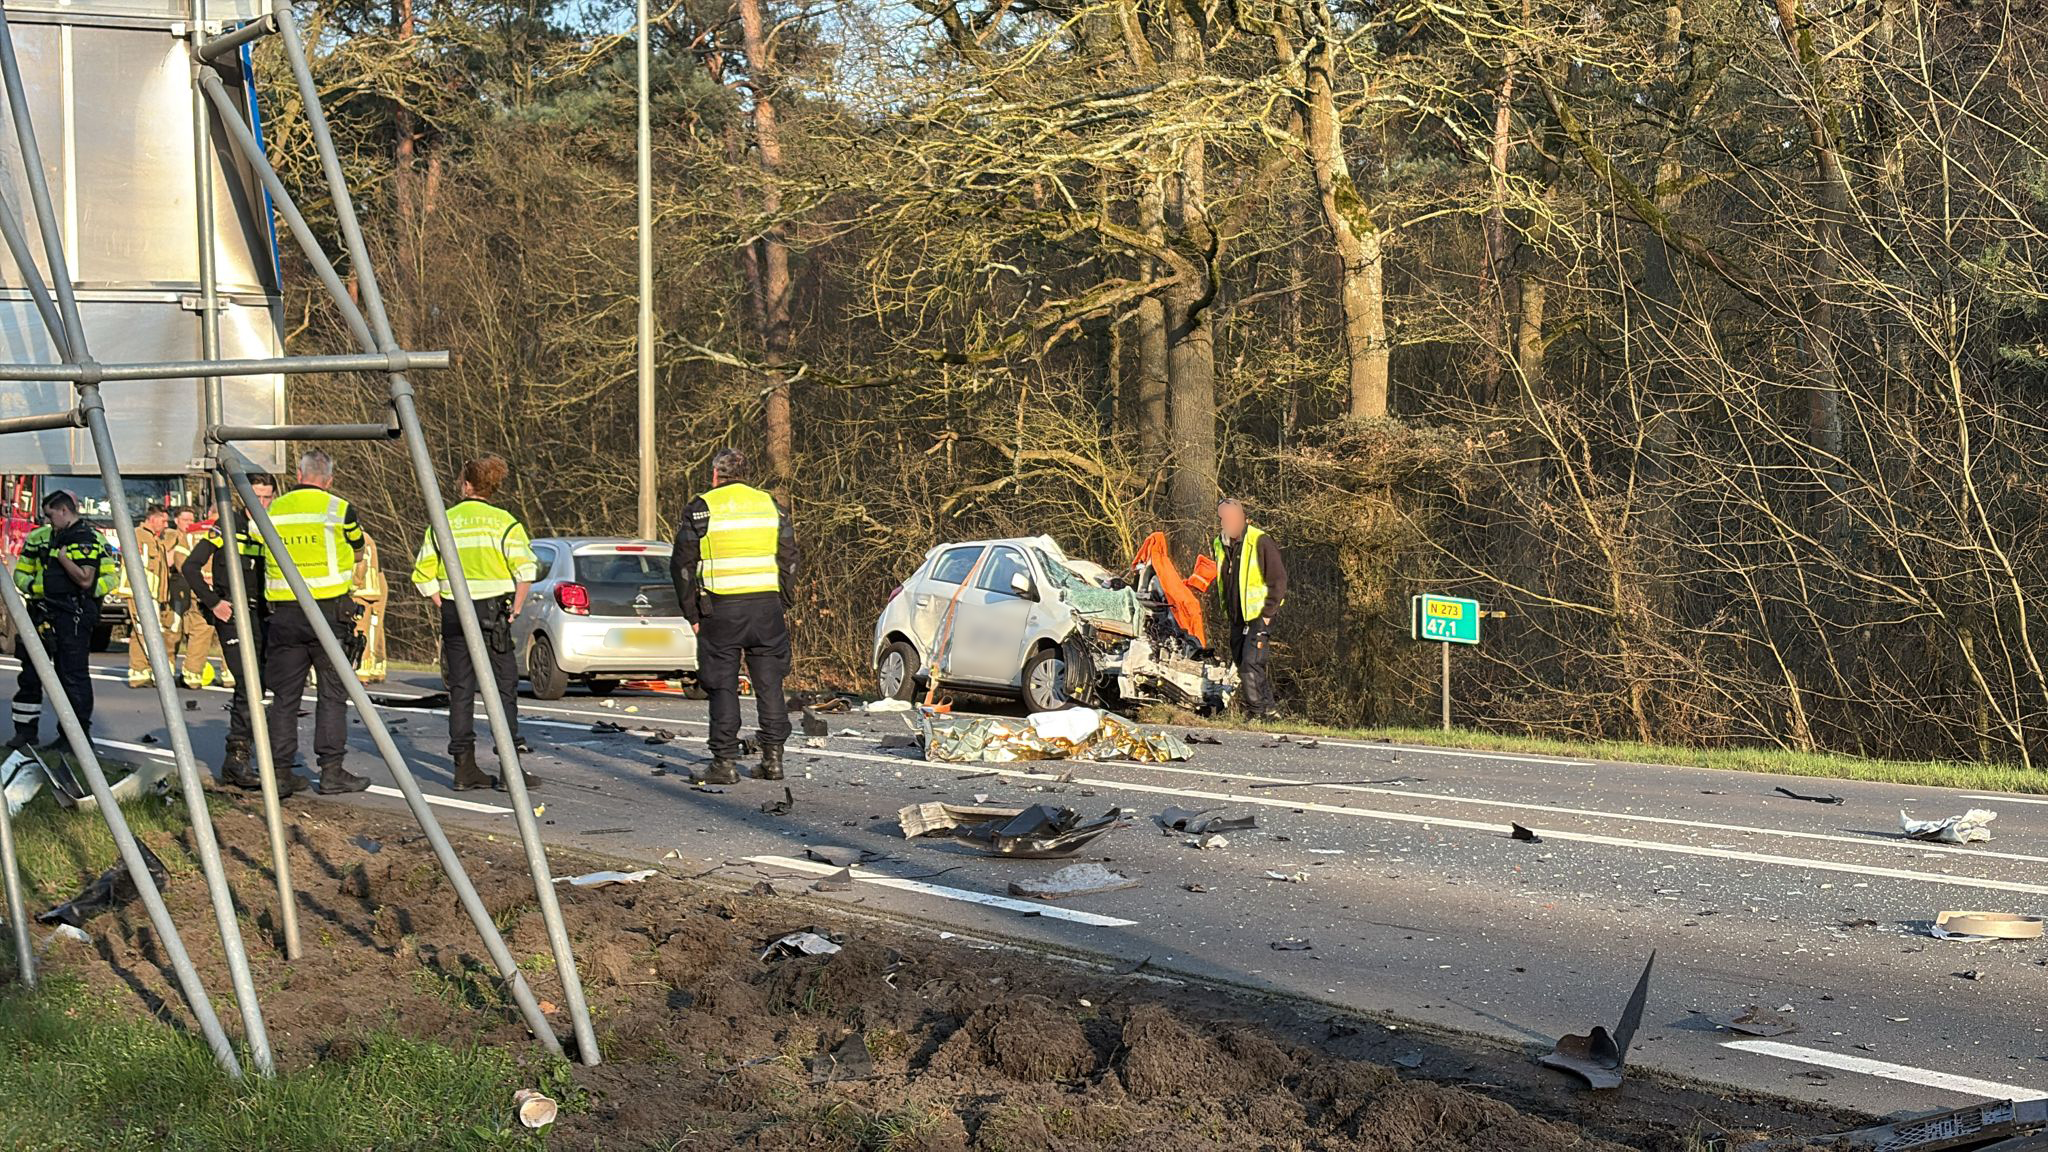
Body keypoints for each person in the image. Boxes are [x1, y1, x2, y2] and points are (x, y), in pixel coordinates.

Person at [410, 456, 540, 792]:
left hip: (456, 612)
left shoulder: (443, 521)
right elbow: (525, 571)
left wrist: (446, 603)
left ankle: (463, 768)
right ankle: (510, 769)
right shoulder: (505, 523)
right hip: (494, 613)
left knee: (461, 690)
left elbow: (423, 575)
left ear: (467, 485)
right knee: (503, 689)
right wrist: (516, 608)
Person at [670, 447, 795, 785]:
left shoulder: (702, 507)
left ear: (715, 475)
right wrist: (783, 600)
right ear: (747, 474)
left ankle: (724, 762)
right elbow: (789, 556)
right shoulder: (771, 506)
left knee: (722, 684)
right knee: (770, 684)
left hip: (721, 610)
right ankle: (773, 759)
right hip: (766, 608)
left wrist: (690, 611)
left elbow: (682, 564)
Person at [182, 474, 301, 794]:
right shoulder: (227, 523)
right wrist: (214, 603)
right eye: (255, 497)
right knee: (249, 682)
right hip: (233, 614)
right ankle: (236, 757)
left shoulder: (274, 524)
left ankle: (245, 757)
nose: (260, 505)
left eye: (266, 498)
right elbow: (191, 567)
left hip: (267, 616)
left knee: (260, 684)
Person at [261, 452, 370, 795]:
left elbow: (255, 546)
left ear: (299, 473)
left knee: (285, 697)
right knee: (333, 694)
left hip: (285, 614)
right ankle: (331, 771)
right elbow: (358, 548)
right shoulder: (339, 509)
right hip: (328, 612)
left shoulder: (273, 509)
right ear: (329, 479)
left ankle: (279, 772)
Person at [9, 491, 114, 748]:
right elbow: (21, 575)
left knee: (72, 676)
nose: (48, 520)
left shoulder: (94, 540)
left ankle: (73, 737)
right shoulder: (38, 538)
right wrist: (43, 589)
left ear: (64, 510)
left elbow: (110, 578)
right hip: (41, 612)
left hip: (73, 615)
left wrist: (79, 594)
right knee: (31, 675)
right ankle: (25, 732)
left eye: (50, 514)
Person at [1211, 497, 1287, 720]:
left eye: (1232, 517)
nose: (1228, 522)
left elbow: (1279, 580)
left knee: (1250, 663)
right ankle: (1271, 710)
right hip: (1236, 616)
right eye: (1224, 518)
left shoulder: (1260, 541)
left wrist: (1267, 615)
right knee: (1243, 662)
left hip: (1259, 614)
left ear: (1243, 517)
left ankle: (1256, 713)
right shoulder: (1220, 543)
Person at [168, 505, 219, 688]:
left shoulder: (194, 532)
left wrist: (195, 580)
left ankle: (192, 675)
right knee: (233, 631)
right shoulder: (234, 529)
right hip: (227, 588)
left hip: (199, 588)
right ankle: (231, 676)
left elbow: (181, 559)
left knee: (199, 630)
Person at [126, 505, 175, 688]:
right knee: (149, 631)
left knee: (140, 631)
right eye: (163, 521)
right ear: (152, 519)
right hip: (143, 593)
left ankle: (139, 672)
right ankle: (159, 672)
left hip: (153, 594)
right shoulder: (139, 537)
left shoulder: (154, 539)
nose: (166, 524)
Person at [351, 533, 389, 683]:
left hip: (360, 588)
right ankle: (376, 669)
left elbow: (359, 564)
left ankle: (361, 671)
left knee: (360, 629)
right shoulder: (369, 536)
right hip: (376, 584)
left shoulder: (354, 536)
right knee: (375, 627)